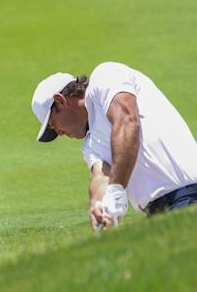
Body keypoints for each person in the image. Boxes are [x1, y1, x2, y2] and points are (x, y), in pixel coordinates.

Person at [31, 62, 197, 230]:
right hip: (157, 213)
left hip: (189, 195)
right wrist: (99, 204)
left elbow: (127, 121)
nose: (59, 133)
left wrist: (116, 188)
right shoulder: (90, 145)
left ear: (60, 101)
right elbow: (101, 177)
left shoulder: (105, 76)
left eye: (53, 125)